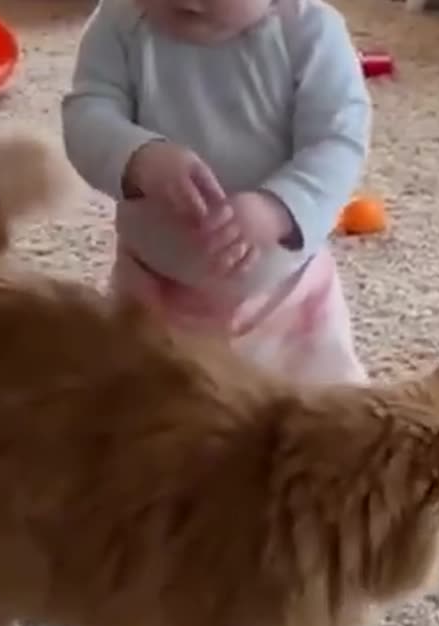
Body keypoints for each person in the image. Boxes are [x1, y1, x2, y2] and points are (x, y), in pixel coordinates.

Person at [61, 0, 372, 384]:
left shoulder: (311, 33)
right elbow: (87, 112)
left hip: (286, 297)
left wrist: (277, 208)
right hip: (154, 287)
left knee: (326, 414)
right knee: (141, 409)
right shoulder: (121, 21)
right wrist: (137, 155)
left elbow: (336, 142)